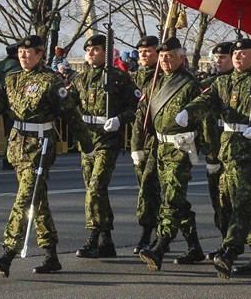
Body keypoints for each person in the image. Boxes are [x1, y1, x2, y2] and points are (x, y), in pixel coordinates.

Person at [0, 35, 94, 278]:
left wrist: (87, 145)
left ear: (40, 55)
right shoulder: (12, 80)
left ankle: (8, 254)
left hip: (40, 148)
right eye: (21, 52)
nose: (23, 56)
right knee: (37, 200)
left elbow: (71, 115)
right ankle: (51, 255)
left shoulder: (51, 81)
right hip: (18, 145)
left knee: (24, 199)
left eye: (29, 53)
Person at [174, 38, 251, 280]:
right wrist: (189, 111)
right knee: (241, 204)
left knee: (242, 203)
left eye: (243, 53)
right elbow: (206, 100)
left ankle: (230, 251)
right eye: (236, 53)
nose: (238, 57)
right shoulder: (223, 82)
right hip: (229, 153)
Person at [136, 37, 203, 271]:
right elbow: (142, 115)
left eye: (170, 56)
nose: (165, 60)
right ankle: (195, 246)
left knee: (171, 199)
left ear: (181, 57)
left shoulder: (190, 84)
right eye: (162, 56)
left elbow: (204, 118)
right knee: (176, 198)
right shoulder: (155, 82)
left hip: (180, 148)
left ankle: (160, 246)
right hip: (159, 147)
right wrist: (138, 145)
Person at [70, 34, 139, 259]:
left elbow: (137, 105)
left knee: (96, 187)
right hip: (87, 139)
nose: (91, 53)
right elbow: (68, 102)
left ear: (106, 52)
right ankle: (106, 239)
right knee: (95, 189)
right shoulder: (81, 78)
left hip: (108, 138)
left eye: (96, 50)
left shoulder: (119, 77)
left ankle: (92, 237)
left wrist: (120, 119)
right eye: (89, 50)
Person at [199, 41, 234, 260]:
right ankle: (225, 242)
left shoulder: (246, 84)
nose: (218, 61)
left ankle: (236, 246)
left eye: (223, 57)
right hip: (214, 152)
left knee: (236, 200)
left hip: (235, 150)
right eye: (216, 57)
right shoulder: (209, 85)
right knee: (218, 202)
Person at [128, 35, 163, 254]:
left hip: (158, 140)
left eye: (148, 51)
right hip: (140, 139)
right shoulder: (135, 77)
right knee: (147, 188)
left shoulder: (161, 77)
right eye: (140, 51)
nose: (143, 54)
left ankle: (149, 234)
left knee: (151, 189)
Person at [0, 43, 21, 170]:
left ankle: (7, 159)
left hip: (2, 103)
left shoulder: (1, 66)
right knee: (17, 132)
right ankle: (9, 159)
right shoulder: (18, 66)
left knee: (8, 132)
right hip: (15, 104)